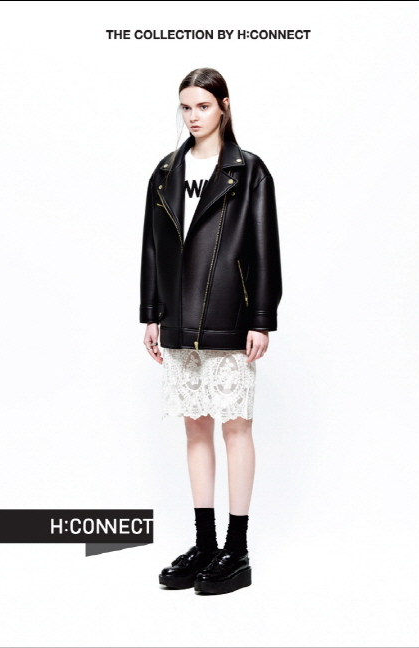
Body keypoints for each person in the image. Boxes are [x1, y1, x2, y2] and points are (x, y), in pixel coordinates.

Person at [139, 68, 283, 595]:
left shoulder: (248, 171)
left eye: (202, 105)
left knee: (236, 428)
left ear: (224, 105)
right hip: (178, 320)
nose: (193, 116)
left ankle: (236, 551)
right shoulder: (164, 172)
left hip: (229, 315)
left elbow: (264, 247)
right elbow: (152, 248)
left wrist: (261, 318)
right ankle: (204, 544)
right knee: (195, 428)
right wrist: (152, 313)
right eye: (186, 107)